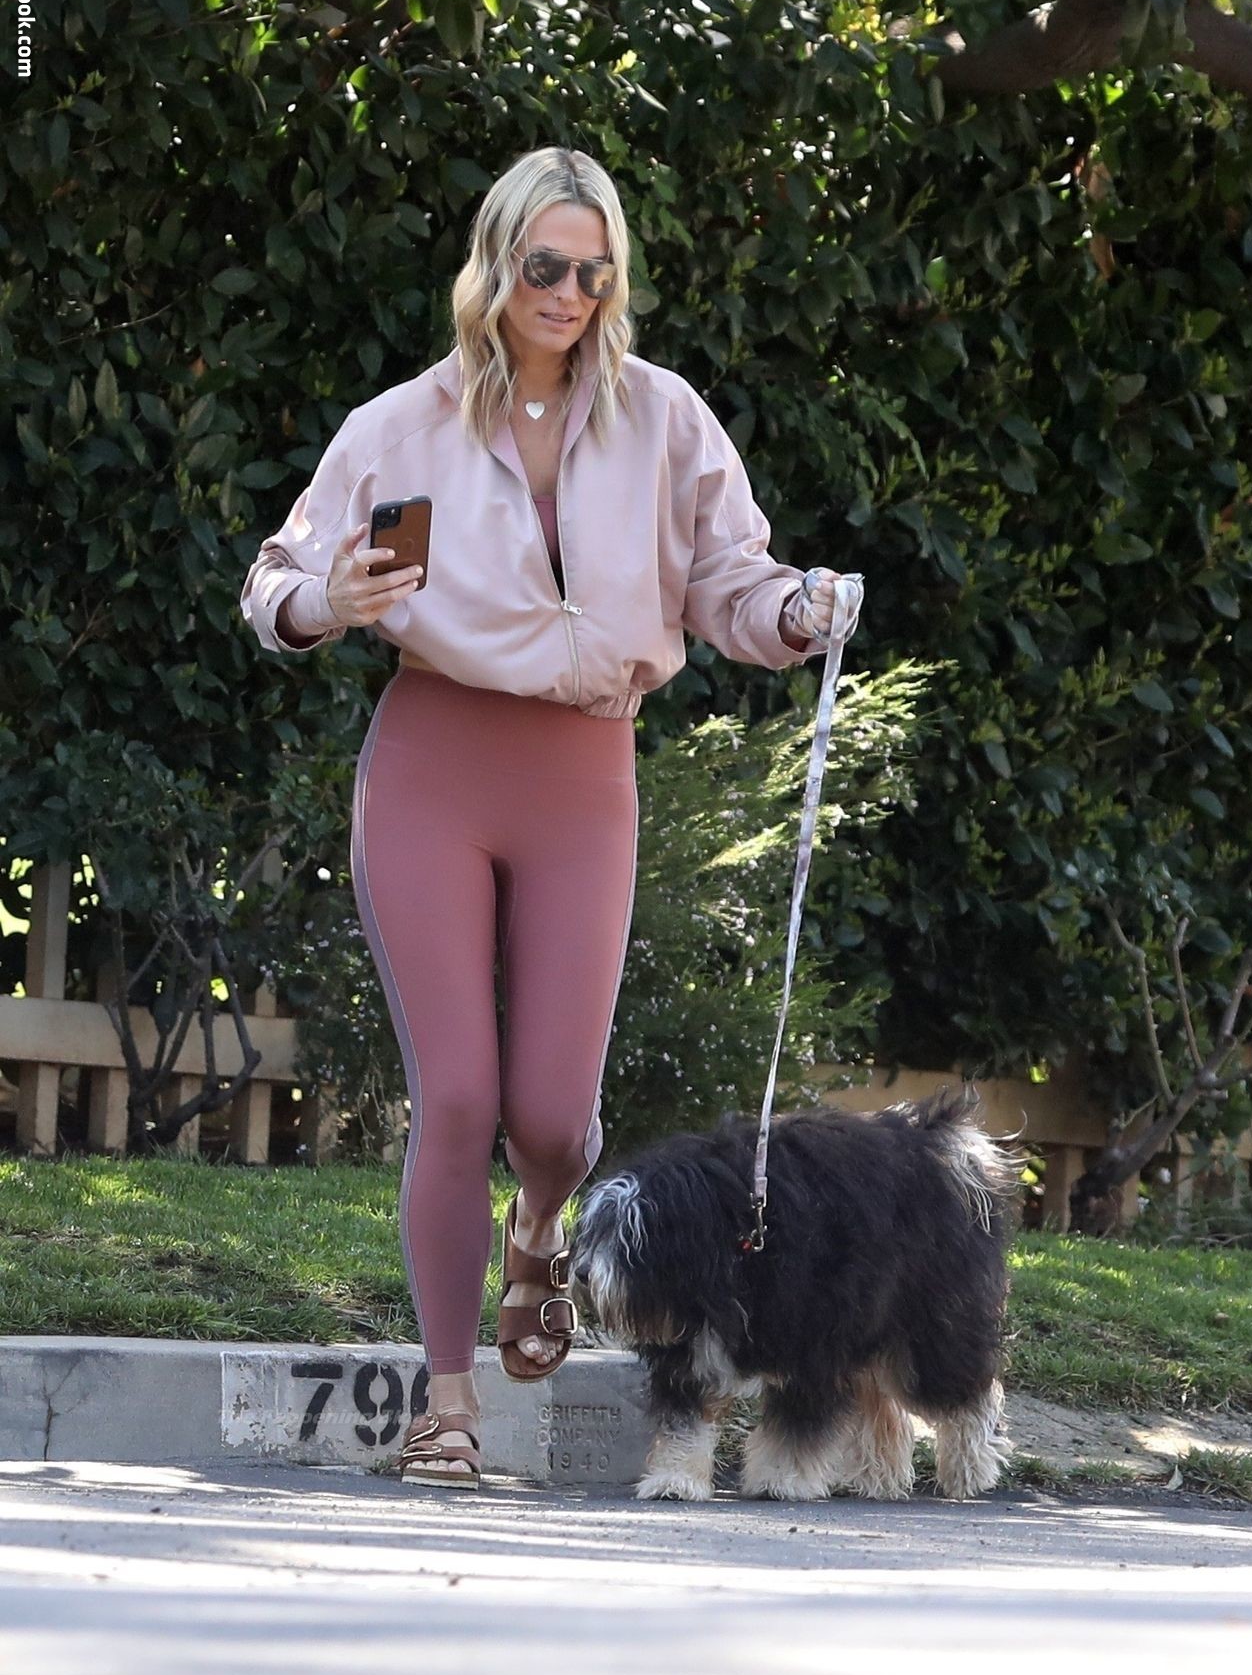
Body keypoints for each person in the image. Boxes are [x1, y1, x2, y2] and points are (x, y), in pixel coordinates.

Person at [240, 145, 859, 1488]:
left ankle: (539, 1232)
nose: (570, 293)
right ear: (496, 263)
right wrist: (325, 602)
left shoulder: (665, 420)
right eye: (545, 266)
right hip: (435, 762)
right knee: (458, 1093)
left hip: (585, 774)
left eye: (595, 271)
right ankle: (448, 1403)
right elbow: (277, 577)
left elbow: (732, 583)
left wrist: (799, 612)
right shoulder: (403, 426)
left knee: (557, 1123)